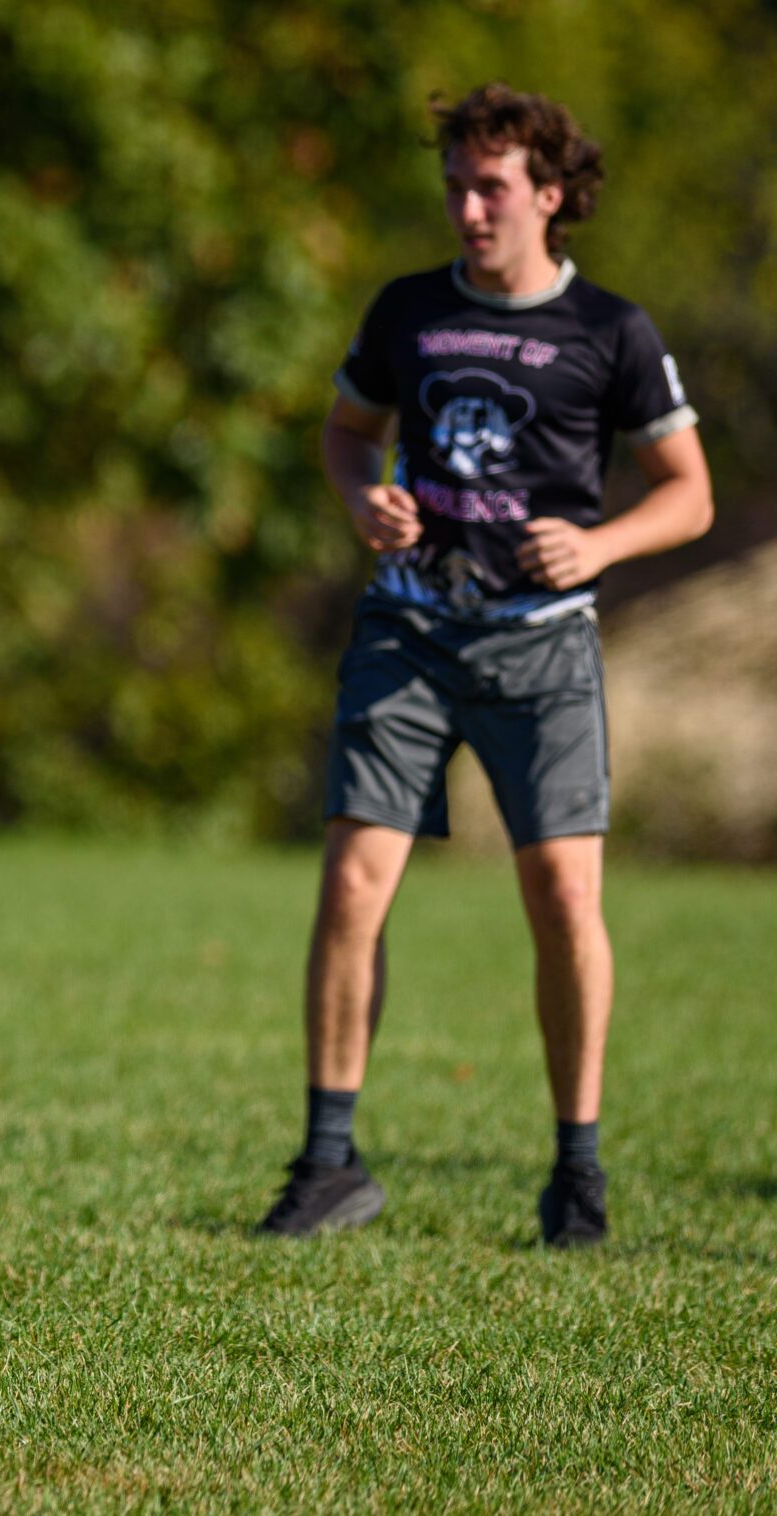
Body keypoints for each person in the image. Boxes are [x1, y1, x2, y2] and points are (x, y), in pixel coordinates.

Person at [258, 84, 713, 1247]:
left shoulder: (613, 330)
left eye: (490, 186)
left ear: (548, 196)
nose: (467, 206)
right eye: (454, 183)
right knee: (354, 878)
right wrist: (365, 499)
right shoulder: (407, 310)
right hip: (408, 632)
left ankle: (576, 1174)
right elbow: (346, 430)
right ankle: (327, 1162)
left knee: (563, 898)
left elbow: (689, 495)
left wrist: (598, 542)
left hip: (541, 648)